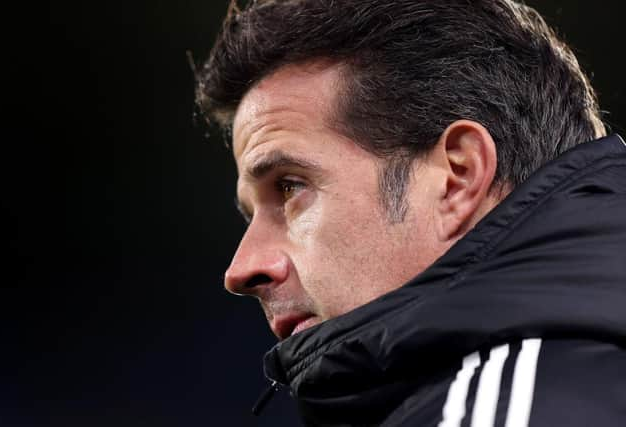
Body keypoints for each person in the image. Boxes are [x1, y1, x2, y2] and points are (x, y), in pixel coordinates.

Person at [193, 1, 626, 425]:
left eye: (289, 187)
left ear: (458, 177)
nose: (241, 269)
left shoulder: (510, 407)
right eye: (251, 215)